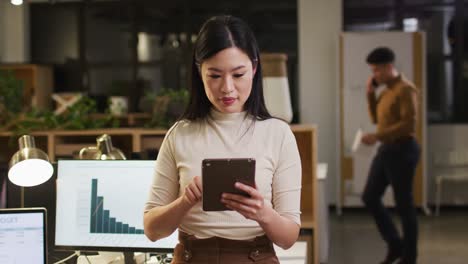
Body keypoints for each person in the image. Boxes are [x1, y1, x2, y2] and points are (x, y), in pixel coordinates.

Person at [143, 15, 302, 264]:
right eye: (215, 76)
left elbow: (288, 238)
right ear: (199, 71)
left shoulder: (278, 134)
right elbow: (152, 230)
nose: (227, 88)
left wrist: (263, 214)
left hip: (255, 256)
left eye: (238, 75)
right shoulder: (180, 134)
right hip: (191, 256)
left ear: (254, 68)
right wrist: (185, 201)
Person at [361, 47, 420, 264]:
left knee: (404, 204)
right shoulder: (386, 91)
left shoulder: (406, 90)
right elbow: (377, 118)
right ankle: (396, 245)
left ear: (388, 67)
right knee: (369, 196)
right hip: (387, 149)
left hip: (404, 149)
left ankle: (409, 257)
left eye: (376, 70)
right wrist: (370, 93)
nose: (374, 75)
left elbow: (408, 124)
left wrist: (376, 137)